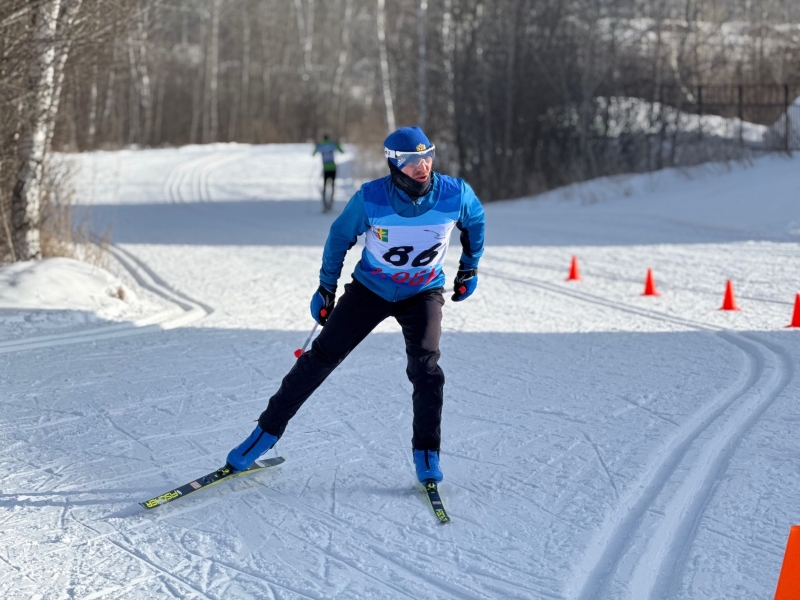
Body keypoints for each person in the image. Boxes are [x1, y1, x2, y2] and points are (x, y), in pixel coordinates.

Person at [227, 126, 485, 485]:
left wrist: (469, 269)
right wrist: (326, 288)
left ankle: (427, 453)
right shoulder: (371, 199)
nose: (422, 166)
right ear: (395, 164)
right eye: (412, 161)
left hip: (422, 292)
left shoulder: (454, 194)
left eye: (427, 157)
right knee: (320, 358)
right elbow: (339, 238)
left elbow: (474, 222)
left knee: (426, 370)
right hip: (371, 289)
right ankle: (263, 435)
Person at [313, 134, 344, 211]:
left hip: (325, 168)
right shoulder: (332, 144)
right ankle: (330, 204)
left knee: (324, 187)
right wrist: (337, 144)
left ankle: (325, 205)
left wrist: (316, 146)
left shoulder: (320, 145)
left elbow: (313, 154)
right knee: (332, 186)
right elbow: (342, 151)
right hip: (333, 168)